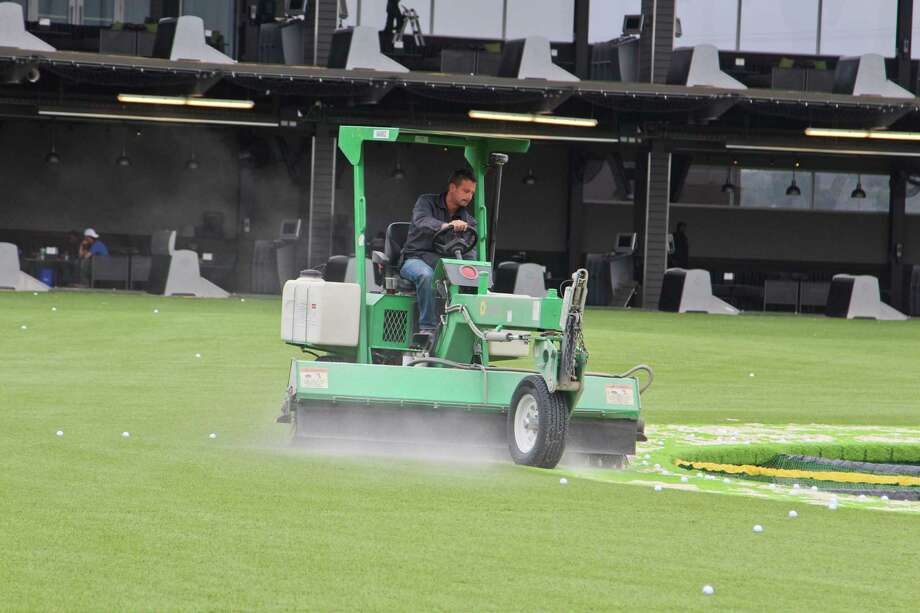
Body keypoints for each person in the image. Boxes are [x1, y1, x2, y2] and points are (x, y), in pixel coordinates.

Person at [400, 168, 479, 332]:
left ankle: (463, 328)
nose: (469, 196)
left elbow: (470, 252)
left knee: (473, 281)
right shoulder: (426, 203)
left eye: (472, 192)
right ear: (452, 188)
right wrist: (445, 226)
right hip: (416, 259)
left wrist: (471, 274)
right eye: (465, 191)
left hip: (444, 266)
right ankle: (427, 329)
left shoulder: (468, 222)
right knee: (426, 275)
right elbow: (421, 220)